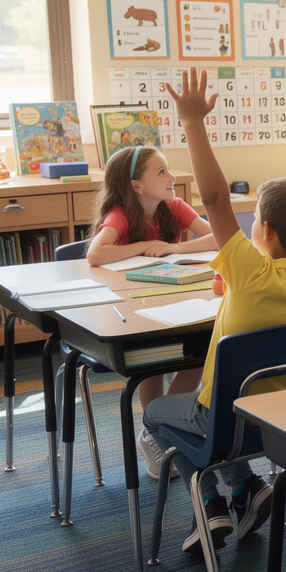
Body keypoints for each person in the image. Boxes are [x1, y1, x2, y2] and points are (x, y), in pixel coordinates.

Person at [143, 68, 286, 556]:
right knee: (228, 417)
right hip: (282, 424)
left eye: (253, 222)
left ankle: (207, 499)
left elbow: (213, 198)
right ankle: (249, 488)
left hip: (225, 423)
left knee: (154, 414)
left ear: (265, 230)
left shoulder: (250, 273)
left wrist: (192, 122)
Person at [86, 145, 217, 480]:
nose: (172, 177)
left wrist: (176, 247)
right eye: (161, 172)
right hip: (133, 306)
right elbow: (95, 254)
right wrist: (143, 247)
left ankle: (163, 425)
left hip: (174, 297)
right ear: (136, 186)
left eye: (168, 169)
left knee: (198, 355)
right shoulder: (120, 214)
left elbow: (218, 238)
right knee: (153, 363)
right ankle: (153, 430)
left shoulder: (174, 207)